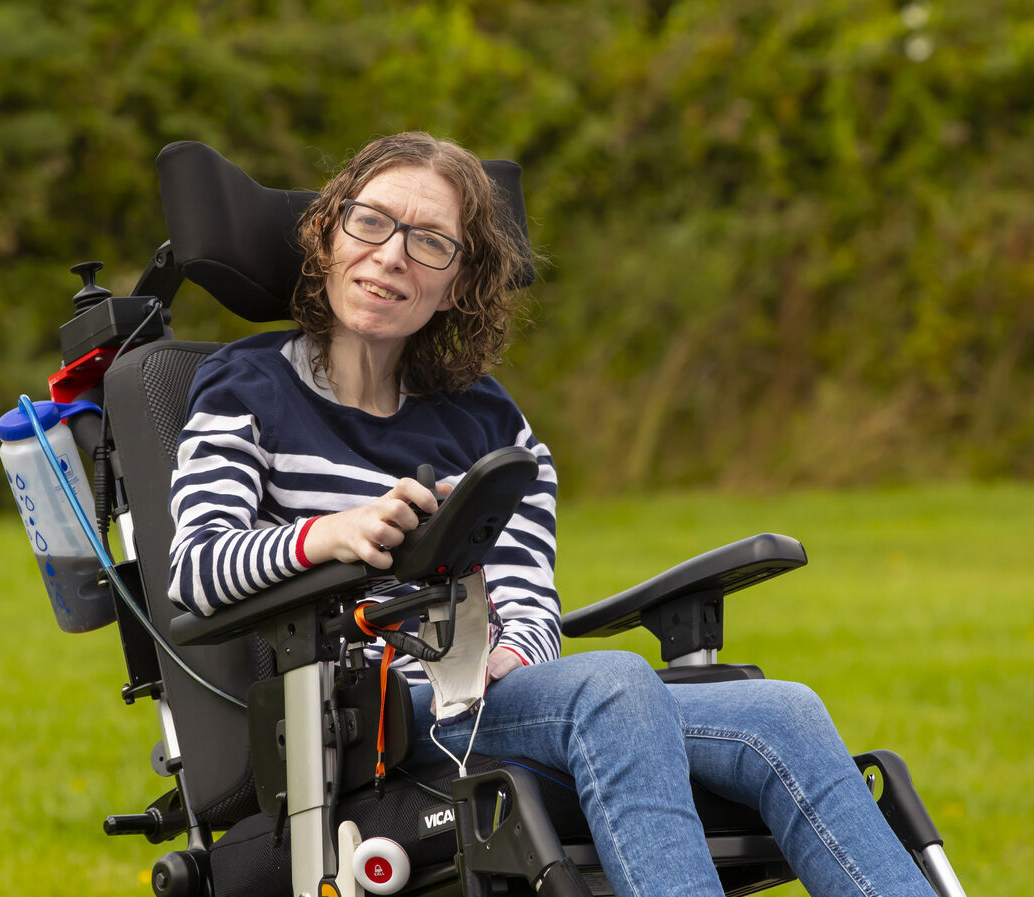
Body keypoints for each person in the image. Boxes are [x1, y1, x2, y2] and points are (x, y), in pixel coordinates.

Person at [167, 132, 937, 897]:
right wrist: (328, 536)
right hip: (359, 715)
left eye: (431, 242)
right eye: (370, 222)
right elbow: (196, 569)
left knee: (787, 710)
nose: (393, 255)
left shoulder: (488, 423)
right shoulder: (243, 388)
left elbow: (528, 595)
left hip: (484, 696)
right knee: (614, 684)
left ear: (458, 282)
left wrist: (518, 658)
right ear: (328, 232)